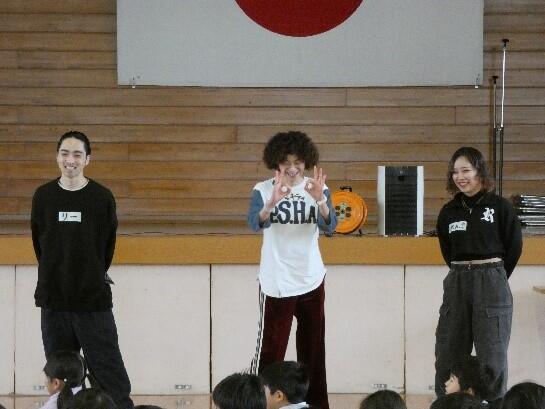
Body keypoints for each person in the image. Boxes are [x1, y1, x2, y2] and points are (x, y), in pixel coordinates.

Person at [31, 131, 133, 409]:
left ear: (88, 159)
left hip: (92, 301)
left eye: (77, 154)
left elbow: (107, 247)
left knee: (108, 370)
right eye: (65, 153)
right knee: (61, 373)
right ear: (57, 156)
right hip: (54, 300)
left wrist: (90, 274)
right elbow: (40, 244)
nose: (70, 160)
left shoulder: (101, 198)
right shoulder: (43, 197)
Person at [247, 131, 337, 409]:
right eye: (286, 162)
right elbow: (254, 223)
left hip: (311, 279)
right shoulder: (263, 189)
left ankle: (315, 404)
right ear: (276, 162)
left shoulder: (318, 187)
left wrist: (320, 200)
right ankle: (261, 403)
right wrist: (271, 203)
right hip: (277, 281)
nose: (293, 167)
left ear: (306, 162)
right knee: (271, 351)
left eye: (298, 162)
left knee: (313, 350)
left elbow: (331, 226)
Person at [434, 147, 522, 403]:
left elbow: (514, 247)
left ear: (480, 171)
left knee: (492, 353)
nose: (460, 177)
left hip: (492, 280)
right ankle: (448, 404)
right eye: (455, 172)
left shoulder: (500, 207)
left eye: (466, 170)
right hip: (458, 280)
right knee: (448, 349)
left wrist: (493, 276)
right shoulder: (448, 211)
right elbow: (447, 251)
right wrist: (465, 271)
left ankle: (493, 404)